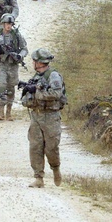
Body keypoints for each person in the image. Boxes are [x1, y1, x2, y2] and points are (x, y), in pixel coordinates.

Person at [21, 48, 67, 188]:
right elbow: (25, 100)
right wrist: (28, 95)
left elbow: (56, 94)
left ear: (39, 62)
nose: (33, 63)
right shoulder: (35, 78)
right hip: (36, 115)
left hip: (51, 116)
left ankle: (55, 169)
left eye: (34, 61)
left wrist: (38, 92)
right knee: (35, 147)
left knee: (51, 148)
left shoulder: (53, 76)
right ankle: (38, 177)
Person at [0, 14, 27, 121]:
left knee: (11, 87)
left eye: (10, 24)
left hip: (13, 65)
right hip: (1, 64)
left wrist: (20, 56)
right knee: (1, 86)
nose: (8, 26)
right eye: (7, 24)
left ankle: (9, 112)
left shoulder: (17, 35)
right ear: (3, 24)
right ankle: (1, 112)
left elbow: (24, 48)